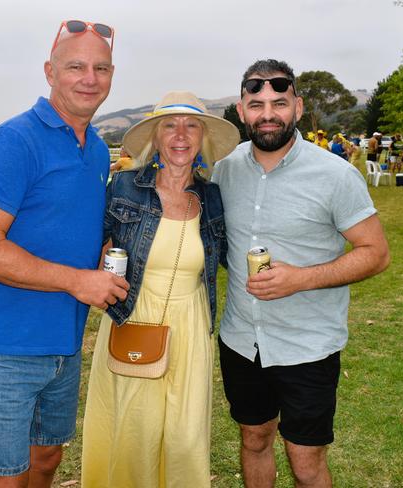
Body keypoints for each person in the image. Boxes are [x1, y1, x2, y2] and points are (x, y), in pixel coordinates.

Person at [0, 20, 129, 488]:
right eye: (76, 66)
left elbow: (63, 225)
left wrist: (99, 256)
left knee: (48, 458)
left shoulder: (94, 148)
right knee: (7, 478)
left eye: (101, 67)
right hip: (5, 343)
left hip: (64, 340)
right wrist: (77, 281)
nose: (89, 78)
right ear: (49, 71)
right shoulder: (15, 140)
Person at [211, 59, 390, 488]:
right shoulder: (225, 170)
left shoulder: (335, 174)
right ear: (240, 109)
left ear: (298, 106)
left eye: (279, 102)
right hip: (241, 340)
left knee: (306, 462)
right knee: (254, 438)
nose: (268, 114)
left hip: (307, 345)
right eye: (257, 104)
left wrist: (301, 278)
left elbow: (376, 253)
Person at [81, 91, 240, 488]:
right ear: (156, 138)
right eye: (170, 125)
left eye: (191, 126)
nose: (181, 135)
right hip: (135, 319)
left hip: (191, 324)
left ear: (202, 139)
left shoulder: (213, 197)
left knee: (186, 440)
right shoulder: (123, 188)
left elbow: (230, 257)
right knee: (137, 436)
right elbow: (89, 251)